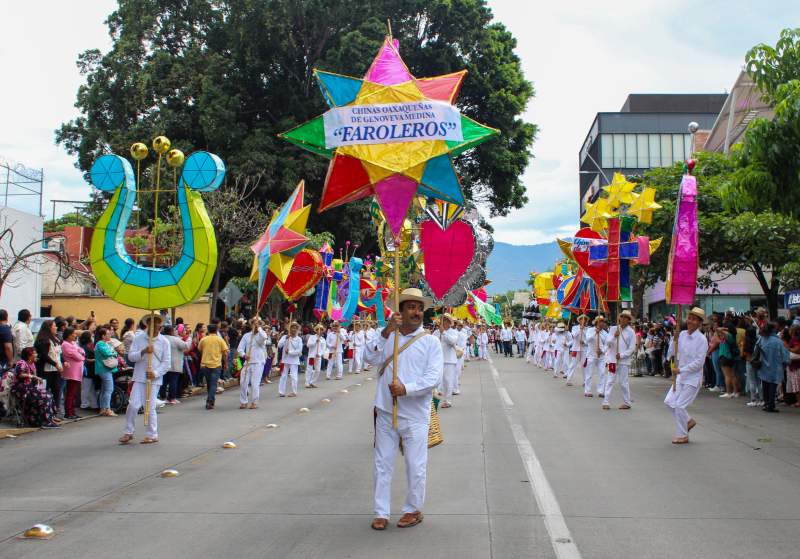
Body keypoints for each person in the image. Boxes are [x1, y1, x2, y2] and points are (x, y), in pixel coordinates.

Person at [364, 288, 443, 530]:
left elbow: (433, 378)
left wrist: (406, 388)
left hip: (415, 415)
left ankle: (413, 509)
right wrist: (386, 331)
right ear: (400, 311)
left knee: (415, 465)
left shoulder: (431, 342)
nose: (417, 312)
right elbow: (369, 357)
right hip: (386, 412)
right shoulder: (389, 337)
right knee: (382, 463)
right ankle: (381, 512)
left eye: (419, 308)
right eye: (411, 307)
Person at [119, 314, 169, 444]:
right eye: (153, 323)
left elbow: (166, 363)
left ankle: (152, 434)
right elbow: (131, 357)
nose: (156, 326)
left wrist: (155, 373)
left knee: (150, 406)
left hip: (154, 379)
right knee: (133, 405)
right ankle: (128, 432)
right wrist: (143, 351)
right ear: (148, 324)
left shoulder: (164, 341)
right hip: (140, 376)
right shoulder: (139, 338)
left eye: (158, 324)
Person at [664, 307, 709, 444]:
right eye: (689, 318)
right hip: (680, 377)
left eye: (694, 319)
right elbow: (671, 353)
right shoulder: (682, 334)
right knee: (669, 402)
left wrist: (682, 370)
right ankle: (688, 421)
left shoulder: (701, 340)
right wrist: (674, 339)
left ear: (700, 323)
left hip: (692, 378)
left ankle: (683, 435)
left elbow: (699, 362)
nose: (690, 321)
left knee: (679, 406)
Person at [11, 347, 60, 428]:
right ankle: (45, 421)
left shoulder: (32, 364)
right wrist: (33, 376)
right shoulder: (22, 362)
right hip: (21, 388)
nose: (36, 354)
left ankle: (49, 418)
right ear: (29, 355)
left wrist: (37, 380)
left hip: (29, 387)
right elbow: (20, 374)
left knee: (49, 394)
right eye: (34, 353)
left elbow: (34, 377)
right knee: (45, 397)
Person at [602, 311, 635, 410]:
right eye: (622, 317)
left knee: (623, 382)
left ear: (629, 320)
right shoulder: (613, 329)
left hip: (624, 361)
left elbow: (632, 348)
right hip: (612, 360)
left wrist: (622, 355)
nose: (623, 319)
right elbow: (607, 342)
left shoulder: (631, 332)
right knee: (610, 381)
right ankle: (606, 401)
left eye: (626, 318)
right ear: (619, 318)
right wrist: (614, 336)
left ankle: (627, 402)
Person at [757, 322, 789, 413]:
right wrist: (786, 363)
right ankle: (771, 405)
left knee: (765, 385)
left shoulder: (761, 339)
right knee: (772, 386)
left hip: (763, 365)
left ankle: (766, 403)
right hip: (776, 367)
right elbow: (785, 355)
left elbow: (756, 351)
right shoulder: (778, 341)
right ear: (773, 330)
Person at [237, 318, 268, 407]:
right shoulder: (246, 336)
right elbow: (240, 348)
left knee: (255, 383)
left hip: (258, 362)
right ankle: (243, 401)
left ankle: (254, 402)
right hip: (248, 362)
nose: (255, 325)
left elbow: (264, 338)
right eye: (254, 323)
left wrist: (259, 327)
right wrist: (243, 355)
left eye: (257, 323)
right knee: (243, 382)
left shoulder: (262, 335)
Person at [197, 323, 229, 410]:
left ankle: (211, 400)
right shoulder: (220, 340)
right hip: (216, 364)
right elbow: (225, 353)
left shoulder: (204, 339)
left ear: (208, 330)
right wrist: (225, 363)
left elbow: (199, 349)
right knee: (213, 384)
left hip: (204, 364)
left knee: (209, 383)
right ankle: (210, 400)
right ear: (216, 330)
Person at [34, 320, 63, 417]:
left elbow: (57, 354)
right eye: (54, 326)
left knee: (57, 391)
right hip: (46, 370)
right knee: (44, 391)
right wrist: (55, 364)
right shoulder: (44, 340)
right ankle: (44, 414)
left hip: (55, 370)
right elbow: (44, 356)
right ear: (49, 328)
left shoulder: (55, 339)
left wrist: (62, 363)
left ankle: (53, 413)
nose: (56, 328)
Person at [60, 327, 85, 419]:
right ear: (69, 335)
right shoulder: (65, 344)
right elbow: (77, 355)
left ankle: (72, 411)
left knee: (74, 393)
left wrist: (80, 354)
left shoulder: (73, 343)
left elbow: (81, 351)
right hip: (71, 372)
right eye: (73, 334)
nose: (75, 335)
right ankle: (68, 412)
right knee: (70, 392)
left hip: (77, 371)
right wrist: (81, 355)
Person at [163, 325, 190, 405]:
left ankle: (163, 397)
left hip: (164, 364)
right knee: (173, 381)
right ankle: (172, 398)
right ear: (171, 331)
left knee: (163, 382)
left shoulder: (162, 338)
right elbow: (186, 346)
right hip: (174, 364)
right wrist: (188, 338)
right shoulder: (175, 339)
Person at [94, 327, 118, 416]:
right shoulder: (101, 343)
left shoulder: (103, 343)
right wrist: (113, 352)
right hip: (104, 369)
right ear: (103, 336)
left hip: (104, 368)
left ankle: (103, 409)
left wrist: (112, 351)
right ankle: (107, 409)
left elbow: (111, 352)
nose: (109, 335)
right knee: (109, 389)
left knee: (104, 390)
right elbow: (108, 353)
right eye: (107, 334)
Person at [438, 314, 460, 408]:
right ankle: (437, 400)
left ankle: (447, 401)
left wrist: (443, 333)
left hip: (449, 361)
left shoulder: (453, 332)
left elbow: (452, 342)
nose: (442, 322)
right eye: (442, 320)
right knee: (438, 382)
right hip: (438, 360)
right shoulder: (436, 332)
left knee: (447, 381)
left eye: (445, 320)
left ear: (448, 322)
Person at [584, 316, 608, 397]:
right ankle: (587, 391)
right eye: (600, 321)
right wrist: (595, 332)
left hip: (601, 356)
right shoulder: (590, 330)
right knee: (589, 373)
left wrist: (602, 351)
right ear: (596, 322)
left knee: (602, 373)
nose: (602, 323)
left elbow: (607, 345)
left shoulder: (605, 333)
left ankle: (601, 391)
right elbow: (587, 340)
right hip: (591, 355)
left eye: (603, 321)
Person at [277, 322, 303, 397]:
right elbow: (279, 345)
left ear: (297, 329)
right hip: (285, 360)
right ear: (289, 328)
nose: (293, 329)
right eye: (292, 327)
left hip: (294, 360)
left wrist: (290, 352)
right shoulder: (285, 337)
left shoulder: (299, 339)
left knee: (294, 376)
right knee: (283, 376)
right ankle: (281, 392)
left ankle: (294, 392)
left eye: (295, 328)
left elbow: (299, 351)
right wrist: (285, 338)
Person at [566, 315, 589, 387]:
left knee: (584, 365)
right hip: (575, 349)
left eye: (585, 320)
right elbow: (574, 336)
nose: (583, 321)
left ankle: (585, 381)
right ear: (579, 321)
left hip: (584, 349)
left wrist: (584, 342)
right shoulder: (574, 328)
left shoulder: (588, 329)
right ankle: (568, 380)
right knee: (573, 364)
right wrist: (580, 329)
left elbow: (589, 339)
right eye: (582, 319)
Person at [305, 323, 327, 388]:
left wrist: (319, 354)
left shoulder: (323, 339)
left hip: (318, 356)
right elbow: (308, 345)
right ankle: (307, 383)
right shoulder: (312, 337)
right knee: (309, 369)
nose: (320, 331)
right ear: (316, 330)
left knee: (317, 370)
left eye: (321, 330)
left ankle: (312, 382)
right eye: (318, 330)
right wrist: (315, 341)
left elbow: (324, 349)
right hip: (311, 356)